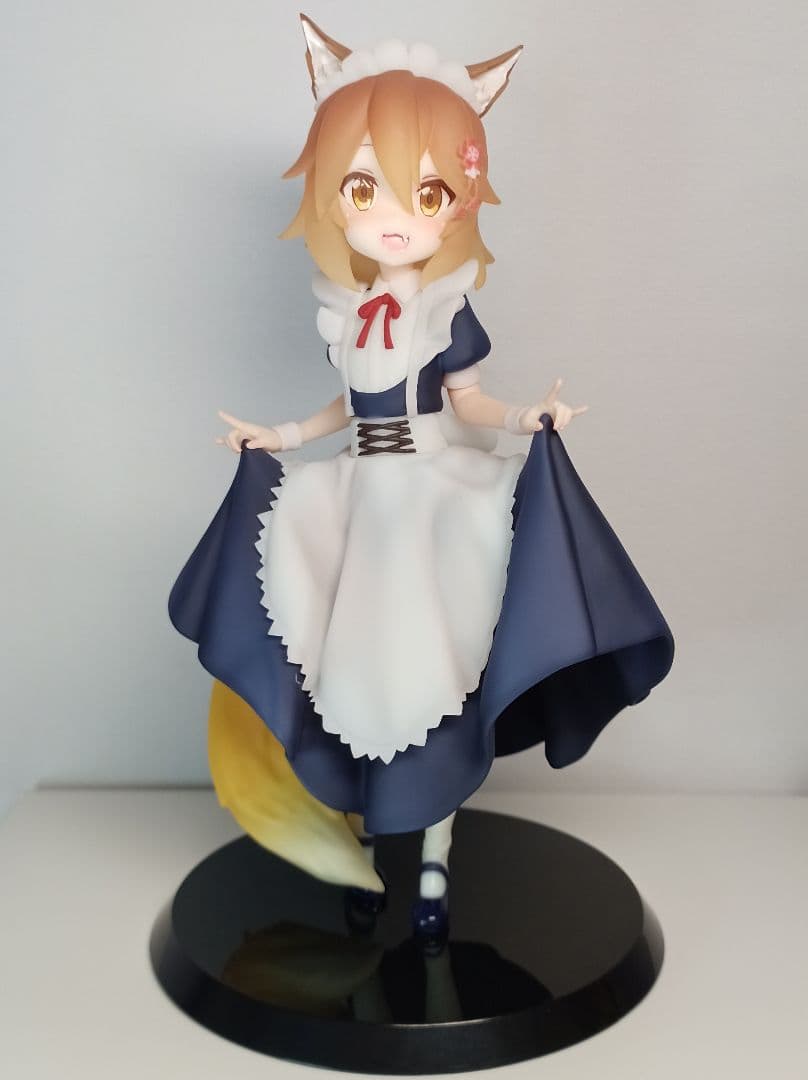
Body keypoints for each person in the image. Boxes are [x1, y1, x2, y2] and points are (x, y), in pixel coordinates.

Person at [168, 14, 674, 941]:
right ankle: (364, 835)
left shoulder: (445, 309)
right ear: (332, 195)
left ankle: (435, 859)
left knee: (434, 676)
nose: (393, 212)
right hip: (359, 496)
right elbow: (346, 406)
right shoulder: (347, 307)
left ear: (458, 202)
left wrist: (528, 420)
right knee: (351, 663)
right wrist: (279, 436)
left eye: (428, 189)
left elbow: (467, 402)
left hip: (433, 495)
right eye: (363, 186)